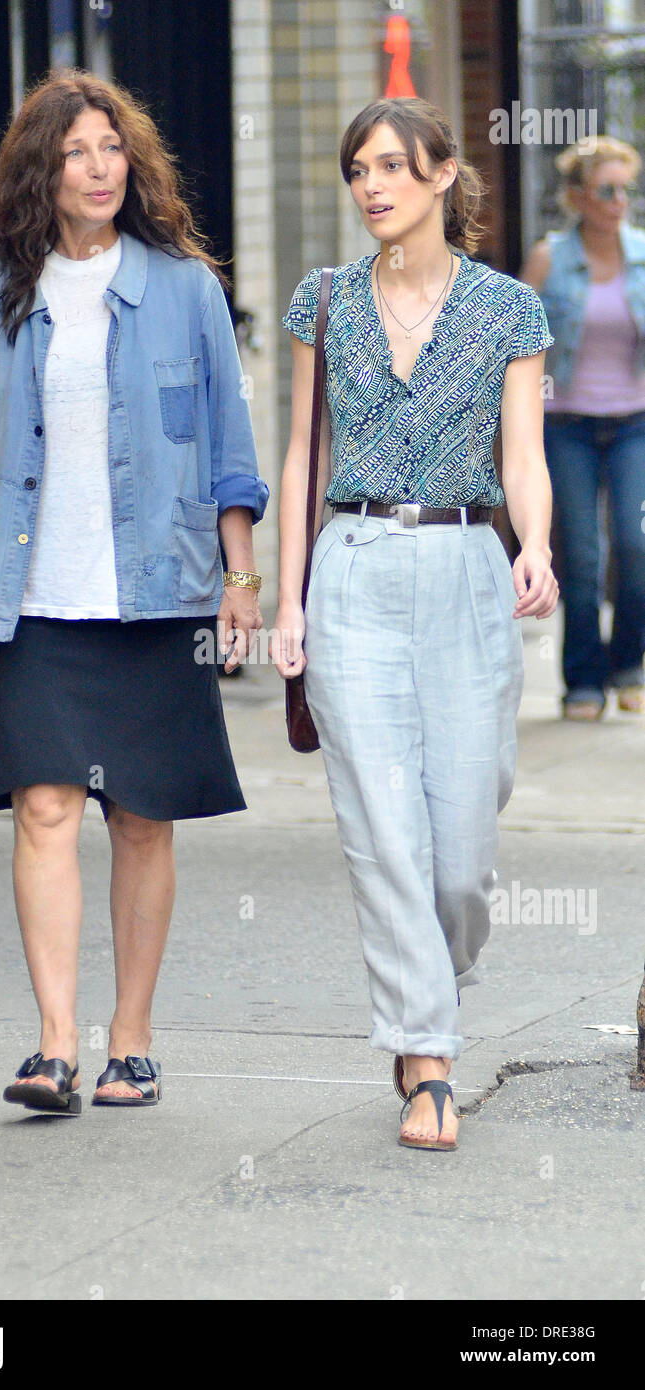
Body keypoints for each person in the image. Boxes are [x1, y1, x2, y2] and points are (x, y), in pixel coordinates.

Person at [0, 69, 268, 1114]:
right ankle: (55, 1044)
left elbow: (228, 451)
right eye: (75, 152)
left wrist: (240, 579)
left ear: (133, 161)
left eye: (112, 148)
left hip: (155, 593)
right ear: (39, 169)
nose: (99, 167)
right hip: (30, 595)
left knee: (144, 817)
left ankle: (133, 1041)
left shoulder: (186, 286)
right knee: (46, 805)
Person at [273, 97, 558, 1153]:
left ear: (443, 174)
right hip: (352, 563)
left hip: (464, 564)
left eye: (393, 165)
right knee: (384, 833)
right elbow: (304, 454)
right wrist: (290, 595)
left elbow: (522, 453)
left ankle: (429, 985)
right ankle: (427, 1058)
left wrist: (533, 542)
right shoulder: (326, 302)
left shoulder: (508, 310)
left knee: (460, 849)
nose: (372, 186)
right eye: (357, 169)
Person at [521, 136, 645, 720]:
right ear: (578, 197)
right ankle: (584, 682)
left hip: (634, 425)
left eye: (626, 188)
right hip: (566, 424)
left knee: (635, 543)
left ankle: (629, 666)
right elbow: (515, 339)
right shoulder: (549, 259)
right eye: (606, 190)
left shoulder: (643, 253)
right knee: (582, 554)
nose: (619, 200)